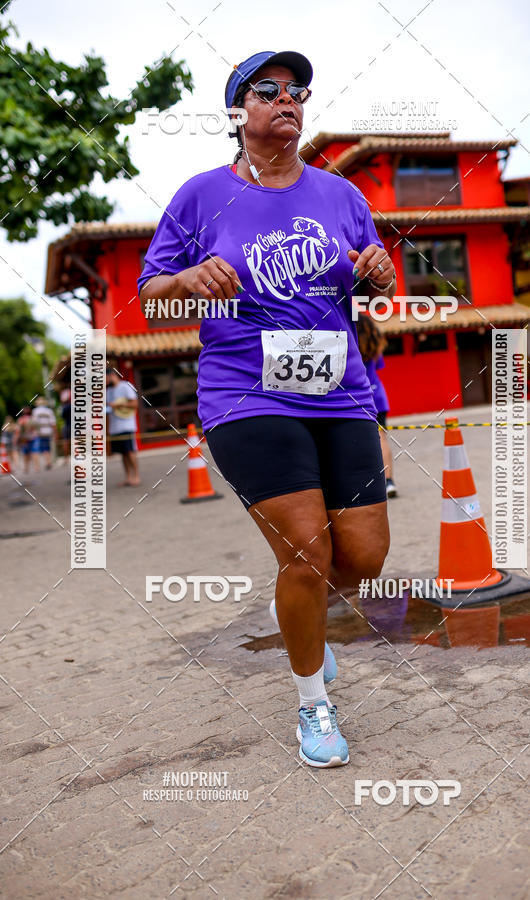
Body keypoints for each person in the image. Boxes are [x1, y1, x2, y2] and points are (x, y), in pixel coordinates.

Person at [138, 50, 396, 767]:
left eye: (298, 91)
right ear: (237, 112)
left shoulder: (340, 196)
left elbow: (372, 284)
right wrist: (189, 276)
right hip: (245, 393)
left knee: (365, 558)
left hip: (338, 392)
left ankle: (302, 618)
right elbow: (150, 292)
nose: (288, 100)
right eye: (268, 90)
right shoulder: (200, 196)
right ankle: (314, 702)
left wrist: (377, 271)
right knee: (308, 553)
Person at [356, 314, 398, 498]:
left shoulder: (349, 344)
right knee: (382, 439)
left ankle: (367, 482)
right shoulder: (375, 346)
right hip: (378, 397)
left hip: (358, 397)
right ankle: (389, 481)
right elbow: (379, 367)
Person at [106, 366, 140, 486]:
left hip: (126, 426)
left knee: (130, 452)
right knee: (123, 454)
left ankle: (136, 476)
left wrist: (119, 405)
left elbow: (135, 403)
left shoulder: (125, 386)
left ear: (111, 375)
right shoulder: (108, 391)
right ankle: (128, 477)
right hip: (115, 428)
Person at [31, 396, 57, 469]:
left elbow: (34, 423)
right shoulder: (49, 411)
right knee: (47, 448)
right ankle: (48, 462)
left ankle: (37, 466)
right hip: (48, 431)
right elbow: (53, 423)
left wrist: (33, 431)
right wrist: (55, 432)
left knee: (35, 449)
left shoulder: (35, 411)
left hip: (39, 432)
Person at [17, 406, 38, 474]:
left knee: (26, 453)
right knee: (33, 452)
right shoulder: (32, 418)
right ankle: (36, 467)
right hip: (32, 437)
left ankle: (27, 468)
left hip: (25, 438)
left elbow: (19, 430)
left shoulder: (21, 419)